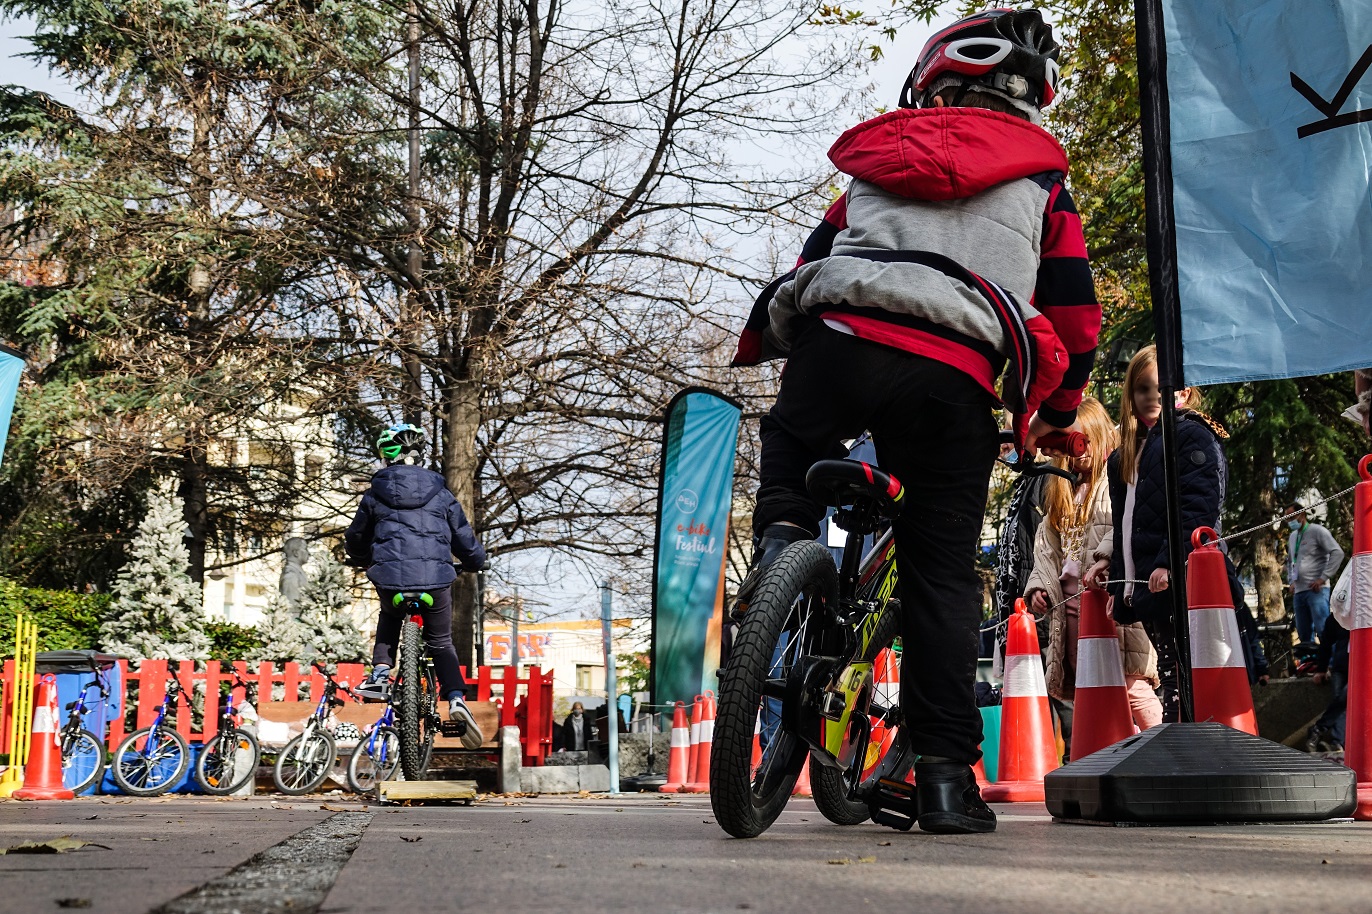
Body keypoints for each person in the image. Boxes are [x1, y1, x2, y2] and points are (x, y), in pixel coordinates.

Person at [730, 9, 1099, 834]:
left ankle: (777, 541)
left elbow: (811, 265)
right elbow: (1073, 316)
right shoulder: (1043, 185)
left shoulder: (874, 162)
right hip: (951, 375)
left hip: (840, 342)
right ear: (1030, 100)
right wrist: (1054, 418)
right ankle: (941, 780)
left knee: (791, 439)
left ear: (929, 82)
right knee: (940, 577)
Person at [1085, 344, 1238, 722]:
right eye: (1142, 388)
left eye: (1161, 387)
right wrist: (1121, 583)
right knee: (1171, 671)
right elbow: (1127, 524)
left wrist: (1171, 561)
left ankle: (1189, 749)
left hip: (1181, 578)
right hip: (1148, 582)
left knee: (1188, 672)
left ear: (1182, 391)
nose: (1152, 396)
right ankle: (1181, 746)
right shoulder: (1126, 453)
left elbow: (1199, 506)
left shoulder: (1191, 435)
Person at [1024, 398, 1161, 756]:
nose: (1078, 454)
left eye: (1083, 442)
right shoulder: (1062, 491)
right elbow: (1046, 546)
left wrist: (1105, 558)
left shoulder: (1113, 483)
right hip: (1071, 611)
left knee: (1131, 684)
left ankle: (1166, 744)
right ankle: (1102, 757)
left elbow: (1124, 525)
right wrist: (1039, 584)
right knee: (1089, 685)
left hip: (1110, 604)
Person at [346, 423, 487, 749]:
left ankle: (381, 673)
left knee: (389, 615)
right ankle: (455, 699)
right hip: (436, 580)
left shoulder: (373, 495)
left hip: (390, 578)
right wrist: (475, 562)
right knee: (440, 642)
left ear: (385, 456)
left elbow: (356, 537)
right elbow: (464, 539)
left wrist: (361, 557)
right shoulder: (442, 493)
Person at [1285, 501, 1345, 652]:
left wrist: (1323, 577)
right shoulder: (1292, 536)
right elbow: (1290, 561)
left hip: (1317, 590)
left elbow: (1338, 553)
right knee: (1303, 631)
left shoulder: (1318, 531)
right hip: (1299, 591)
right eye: (1287, 518)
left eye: (1292, 516)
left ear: (1302, 514)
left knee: (1323, 628)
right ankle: (1310, 663)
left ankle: (1330, 665)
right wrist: (1291, 581)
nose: (1290, 521)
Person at [1306, 614, 1349, 752]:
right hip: (1341, 667)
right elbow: (1326, 642)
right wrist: (1321, 669)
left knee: (1345, 697)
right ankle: (1338, 743)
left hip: (1363, 668)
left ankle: (1318, 729)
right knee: (1340, 701)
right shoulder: (1339, 614)